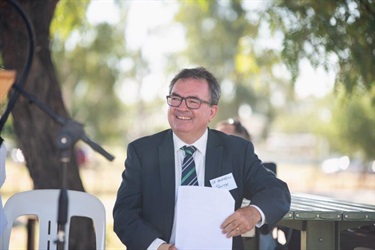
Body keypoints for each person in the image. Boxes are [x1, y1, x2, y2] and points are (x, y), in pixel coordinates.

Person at [113, 67, 291, 250]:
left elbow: (277, 191)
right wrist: (159, 247)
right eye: (175, 98)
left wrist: (253, 213)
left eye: (193, 101)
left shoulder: (237, 151)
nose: (182, 107)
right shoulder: (142, 152)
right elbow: (125, 215)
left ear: (212, 112)